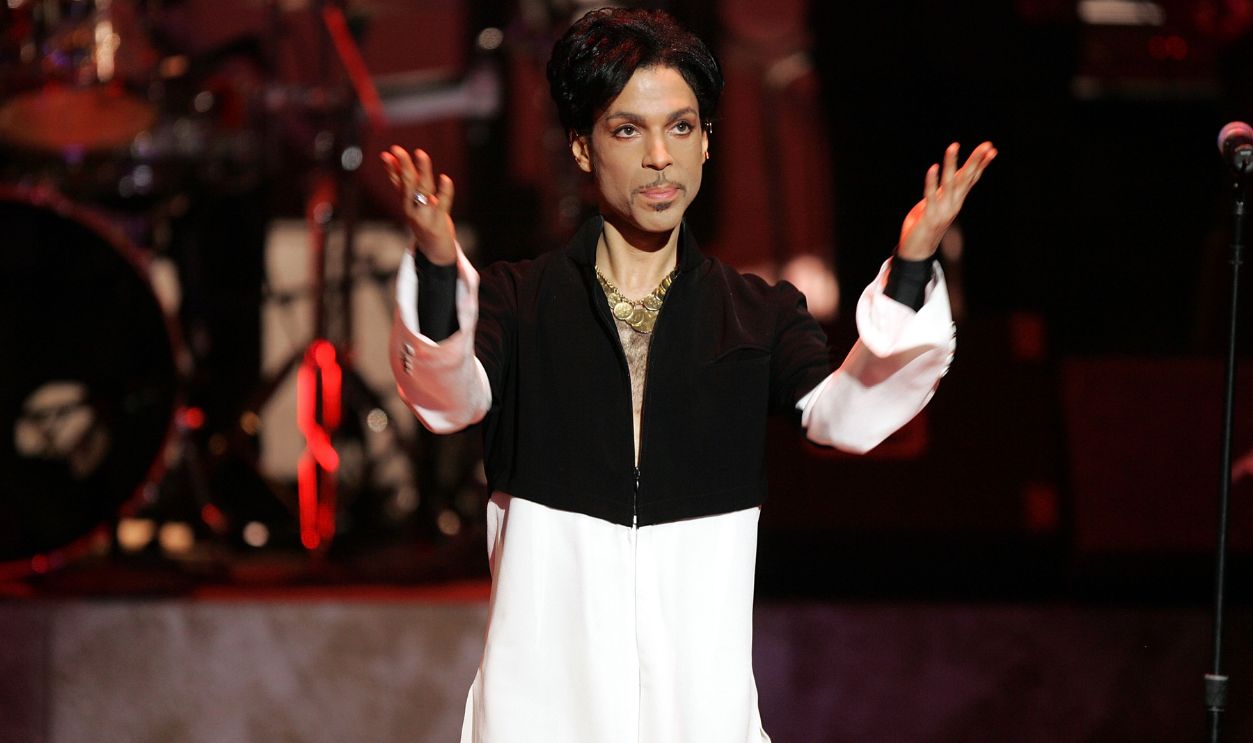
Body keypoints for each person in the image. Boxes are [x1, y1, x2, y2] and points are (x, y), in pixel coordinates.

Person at [381, 8, 995, 743]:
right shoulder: (521, 301)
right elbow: (448, 396)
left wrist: (914, 267)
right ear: (581, 148)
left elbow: (845, 415)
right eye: (625, 129)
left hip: (698, 711)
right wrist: (441, 269)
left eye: (679, 127)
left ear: (707, 142)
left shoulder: (755, 313)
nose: (657, 158)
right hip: (543, 703)